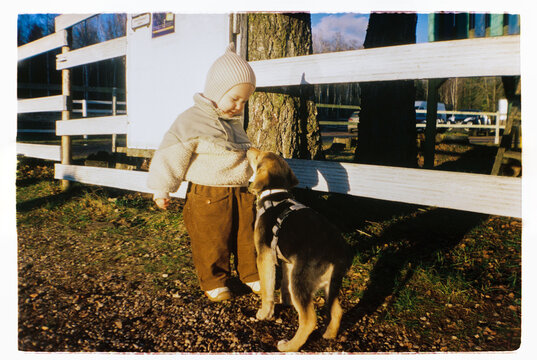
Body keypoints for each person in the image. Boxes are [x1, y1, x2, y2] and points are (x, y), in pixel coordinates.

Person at [147, 43, 259, 302]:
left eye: (244, 101)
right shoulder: (190, 121)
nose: (239, 107)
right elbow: (171, 154)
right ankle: (214, 280)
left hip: (241, 192)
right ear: (217, 91)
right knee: (211, 239)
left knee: (247, 235)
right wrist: (162, 188)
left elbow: (244, 153)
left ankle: (252, 274)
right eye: (234, 99)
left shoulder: (233, 123)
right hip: (208, 194)